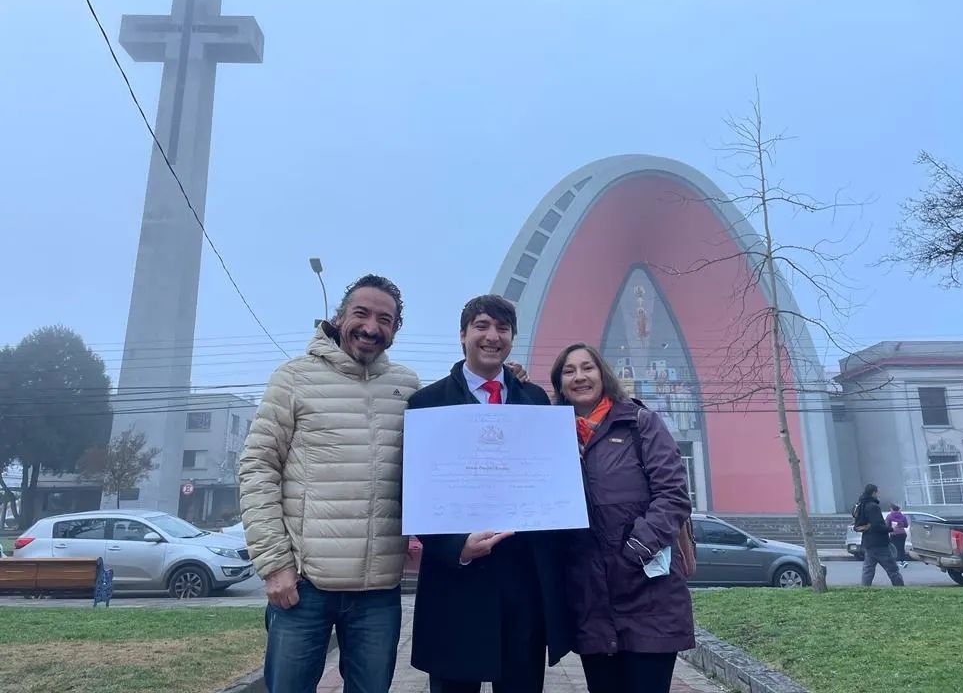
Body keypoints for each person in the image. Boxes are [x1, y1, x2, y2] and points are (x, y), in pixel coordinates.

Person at [238, 274, 421, 693]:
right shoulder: (293, 378)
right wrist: (274, 565)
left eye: (385, 319)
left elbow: (441, 456)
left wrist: (509, 386)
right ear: (339, 317)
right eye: (361, 313)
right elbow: (257, 467)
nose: (371, 327)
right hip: (303, 589)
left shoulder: (407, 387)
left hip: (378, 594)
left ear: (395, 330)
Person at [408, 294, 571, 693]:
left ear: (512, 338)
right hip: (456, 581)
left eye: (502, 328)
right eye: (481, 326)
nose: (492, 336)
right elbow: (413, 491)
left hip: (522, 582)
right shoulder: (427, 404)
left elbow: (552, 483)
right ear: (463, 335)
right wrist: (456, 547)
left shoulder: (535, 401)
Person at [550, 342, 695, 693]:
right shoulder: (552, 437)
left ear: (603, 374)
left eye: (588, 367)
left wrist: (635, 550)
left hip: (648, 594)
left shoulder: (640, 423)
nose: (579, 376)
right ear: (559, 383)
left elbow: (673, 494)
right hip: (591, 602)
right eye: (569, 371)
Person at [853, 484, 905, 587]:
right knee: (892, 569)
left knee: (868, 569)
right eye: (877, 492)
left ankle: (865, 588)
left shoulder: (861, 504)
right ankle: (900, 588)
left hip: (868, 542)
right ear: (873, 492)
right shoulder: (873, 506)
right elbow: (878, 525)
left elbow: (861, 523)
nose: (878, 494)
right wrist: (891, 529)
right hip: (879, 542)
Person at [886, 503, 909, 567]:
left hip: (894, 534)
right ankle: (903, 561)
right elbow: (906, 525)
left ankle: (893, 561)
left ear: (892, 509)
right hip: (902, 533)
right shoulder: (903, 516)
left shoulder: (889, 516)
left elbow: (887, 525)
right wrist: (900, 525)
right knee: (901, 547)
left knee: (893, 548)